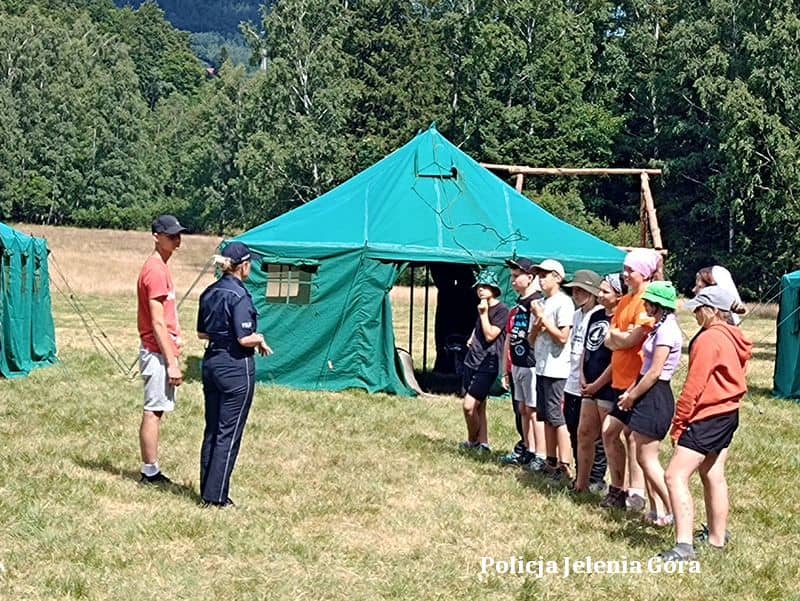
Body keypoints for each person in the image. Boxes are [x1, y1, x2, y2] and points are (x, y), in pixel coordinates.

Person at [658, 286, 752, 561]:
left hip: (707, 416)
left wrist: (679, 423)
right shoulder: (734, 335)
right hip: (728, 413)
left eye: (699, 309)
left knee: (674, 476)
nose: (696, 314)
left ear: (712, 311)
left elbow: (694, 385)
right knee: (713, 473)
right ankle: (717, 538)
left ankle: (684, 546)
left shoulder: (709, 338)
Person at [197, 242, 273, 507]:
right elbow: (244, 338)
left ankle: (207, 489)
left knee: (212, 429)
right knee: (228, 432)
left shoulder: (209, 292)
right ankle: (217, 498)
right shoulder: (239, 295)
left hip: (211, 362)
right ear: (243, 266)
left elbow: (202, 333)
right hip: (235, 366)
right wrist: (259, 338)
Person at [616, 281, 682, 526]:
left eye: (648, 302)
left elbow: (655, 372)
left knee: (648, 458)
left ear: (658, 305)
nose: (644, 305)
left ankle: (674, 510)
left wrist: (632, 396)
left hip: (655, 395)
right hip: (646, 391)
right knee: (643, 457)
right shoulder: (659, 327)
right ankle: (656, 510)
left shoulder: (667, 331)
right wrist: (631, 391)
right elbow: (645, 369)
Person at [601, 248, 660, 510]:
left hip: (637, 381)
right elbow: (609, 338)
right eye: (624, 269)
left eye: (630, 270)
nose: (624, 275)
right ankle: (618, 488)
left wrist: (620, 337)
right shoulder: (625, 300)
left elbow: (633, 339)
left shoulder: (648, 301)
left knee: (632, 437)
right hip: (619, 378)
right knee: (612, 433)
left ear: (644, 274)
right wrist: (620, 337)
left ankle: (636, 493)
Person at [137, 214, 188, 485]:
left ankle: (151, 469)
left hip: (161, 350)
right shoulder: (155, 270)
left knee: (157, 409)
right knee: (153, 410)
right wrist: (172, 362)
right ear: (156, 237)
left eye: (179, 235)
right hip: (156, 352)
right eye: (171, 236)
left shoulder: (161, 266)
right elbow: (157, 322)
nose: (177, 240)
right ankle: (150, 472)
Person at [575, 273, 626, 493]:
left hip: (607, 386)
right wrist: (582, 375)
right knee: (584, 433)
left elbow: (618, 358)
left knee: (609, 437)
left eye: (606, 291)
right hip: (589, 383)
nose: (601, 294)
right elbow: (586, 348)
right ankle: (581, 484)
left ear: (619, 295)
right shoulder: (596, 315)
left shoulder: (621, 318)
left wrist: (597, 384)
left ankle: (618, 487)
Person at [562, 269, 607, 491]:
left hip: (591, 379)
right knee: (574, 428)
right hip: (573, 377)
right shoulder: (577, 314)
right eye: (574, 290)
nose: (576, 294)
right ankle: (582, 472)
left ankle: (596, 477)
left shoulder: (598, 314)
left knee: (593, 434)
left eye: (582, 290)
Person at [529, 259, 574, 481]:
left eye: (544, 275)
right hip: (542, 366)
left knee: (557, 416)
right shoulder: (539, 303)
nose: (540, 279)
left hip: (558, 369)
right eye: (539, 275)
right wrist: (537, 324)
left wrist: (542, 318)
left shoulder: (564, 303)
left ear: (557, 277)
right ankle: (550, 460)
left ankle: (565, 464)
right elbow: (531, 339)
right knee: (545, 415)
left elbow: (563, 337)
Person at [499, 258, 545, 469]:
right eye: (512, 276)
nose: (513, 280)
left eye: (517, 276)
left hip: (532, 362)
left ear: (530, 277)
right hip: (517, 363)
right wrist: (505, 370)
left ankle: (540, 453)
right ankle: (527, 447)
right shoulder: (518, 305)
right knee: (523, 408)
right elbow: (509, 338)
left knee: (533, 409)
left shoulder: (537, 302)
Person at [459, 269, 509, 452]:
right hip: (471, 360)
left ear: (494, 289)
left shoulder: (502, 310)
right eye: (479, 286)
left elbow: (490, 335)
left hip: (487, 364)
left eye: (485, 286)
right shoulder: (482, 306)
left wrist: (483, 314)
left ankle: (472, 441)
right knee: (480, 406)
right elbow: (479, 329)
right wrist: (472, 336)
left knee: (469, 406)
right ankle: (483, 443)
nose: (480, 290)